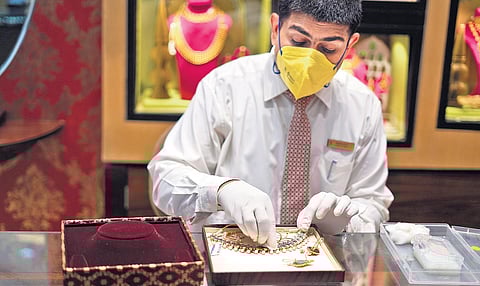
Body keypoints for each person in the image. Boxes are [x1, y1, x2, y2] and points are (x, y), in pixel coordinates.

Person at [148, 0, 394, 249]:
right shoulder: (224, 87)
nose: (310, 59)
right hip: (230, 255)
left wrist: (349, 218)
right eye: (299, 42)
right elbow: (165, 178)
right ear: (275, 28)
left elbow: (373, 203)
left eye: (328, 48)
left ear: (350, 45)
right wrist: (221, 190)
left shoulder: (361, 106)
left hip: (320, 260)